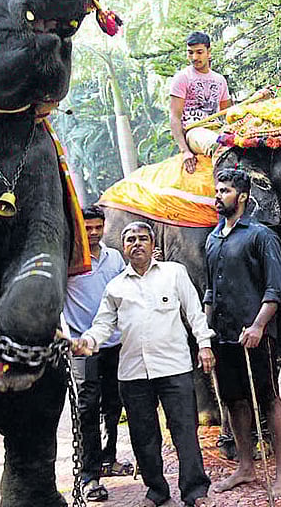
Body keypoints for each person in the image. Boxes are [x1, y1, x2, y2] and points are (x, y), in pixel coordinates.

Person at [71, 221, 216, 507]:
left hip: (174, 368)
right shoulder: (115, 287)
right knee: (143, 436)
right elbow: (103, 324)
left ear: (152, 245)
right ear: (123, 248)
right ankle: (156, 491)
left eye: (142, 238)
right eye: (130, 240)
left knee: (184, 431)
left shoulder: (174, 274)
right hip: (133, 373)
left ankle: (195, 491)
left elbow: (194, 312)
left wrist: (205, 344)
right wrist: (88, 341)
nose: (136, 244)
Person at [204, 169, 281, 498]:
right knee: (235, 401)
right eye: (217, 190)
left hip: (256, 336)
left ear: (241, 197)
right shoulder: (214, 238)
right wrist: (203, 333)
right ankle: (245, 466)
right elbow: (210, 291)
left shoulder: (261, 235)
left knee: (268, 399)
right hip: (223, 337)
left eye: (224, 191)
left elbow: (275, 288)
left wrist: (258, 325)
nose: (217, 196)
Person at [63, 206, 131, 502]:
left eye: (97, 227)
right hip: (83, 348)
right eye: (87, 227)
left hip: (115, 343)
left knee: (113, 405)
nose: (92, 233)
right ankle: (88, 476)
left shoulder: (114, 257)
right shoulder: (69, 259)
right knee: (87, 408)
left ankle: (109, 459)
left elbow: (124, 296)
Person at [170, 31, 231, 174]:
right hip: (194, 131)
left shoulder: (220, 80)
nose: (194, 57)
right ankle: (223, 188)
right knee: (219, 144)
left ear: (209, 52)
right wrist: (185, 151)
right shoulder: (182, 78)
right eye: (190, 53)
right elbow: (174, 117)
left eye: (199, 52)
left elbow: (229, 114)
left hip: (217, 127)